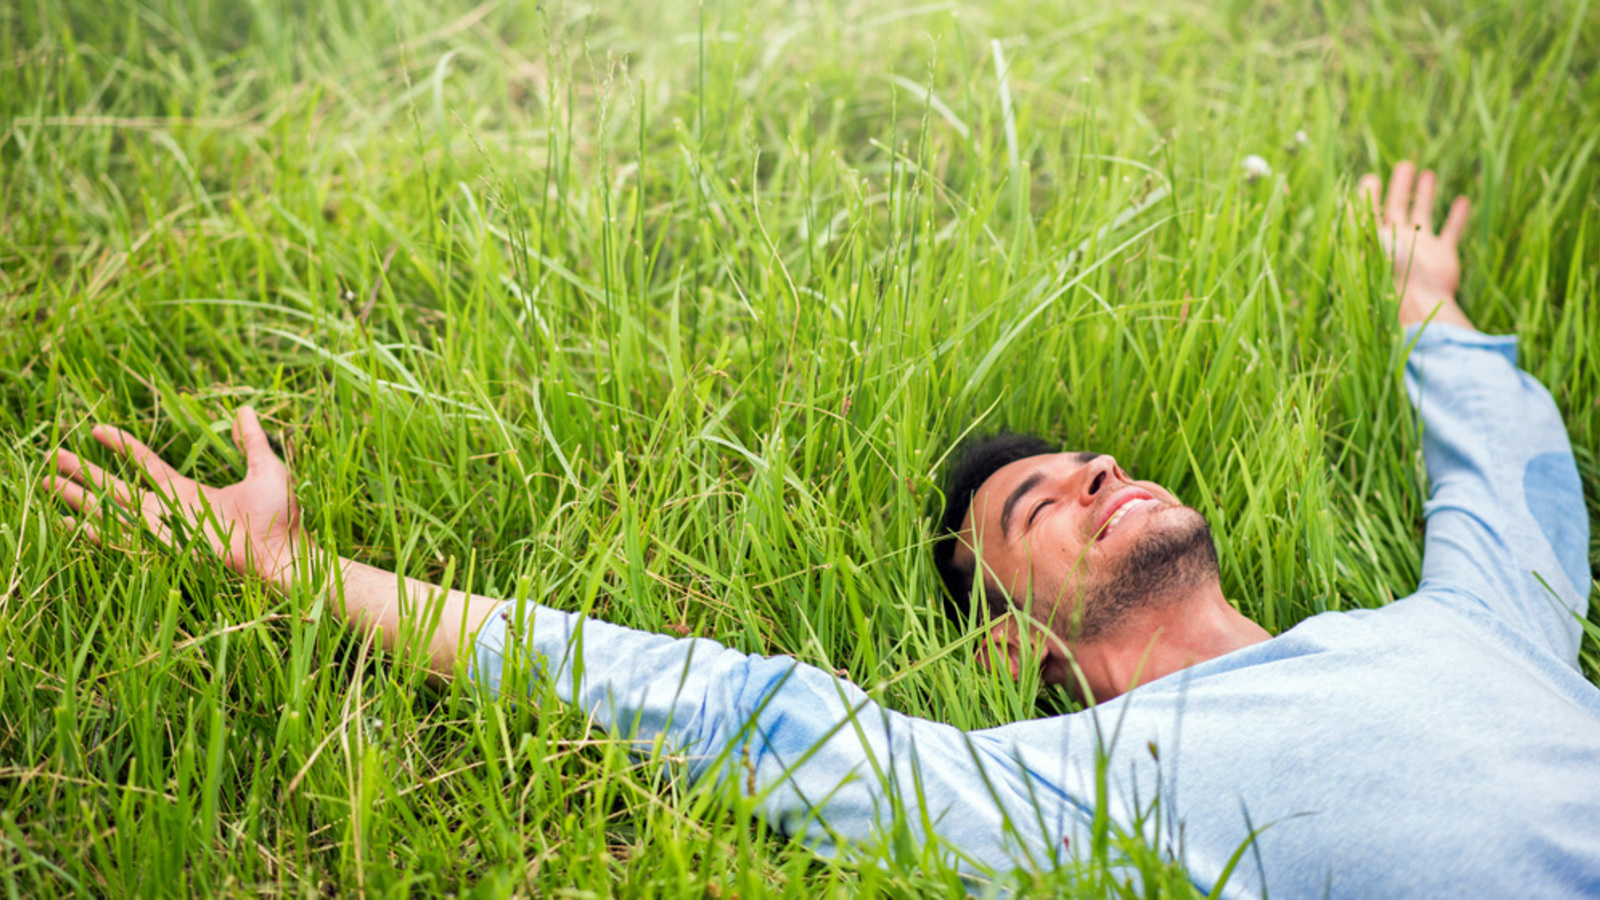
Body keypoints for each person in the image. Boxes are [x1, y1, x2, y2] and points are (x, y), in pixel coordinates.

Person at [46, 162, 1598, 897]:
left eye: (1089, 463)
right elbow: (721, 705)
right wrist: (295, 569)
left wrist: (1428, 305)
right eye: (1040, 504)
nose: (1097, 473)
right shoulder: (1080, 792)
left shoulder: (1464, 622)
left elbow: (1507, 482)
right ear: (1015, 651)